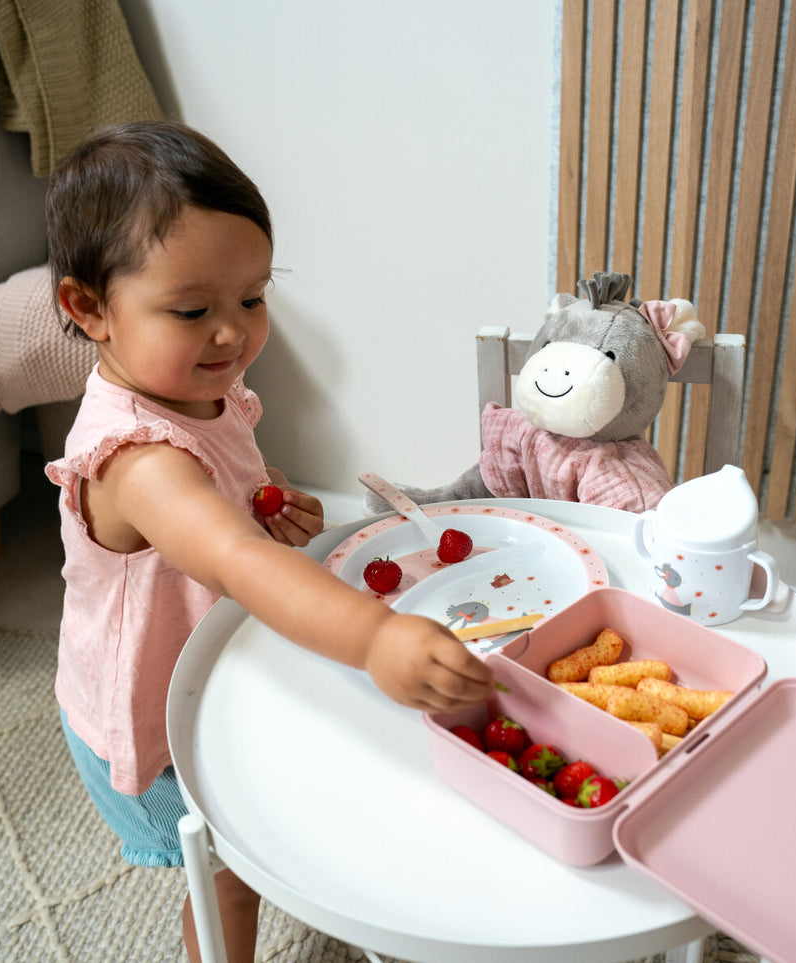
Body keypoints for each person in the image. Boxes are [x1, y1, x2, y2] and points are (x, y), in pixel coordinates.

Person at [43, 121, 493, 963]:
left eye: (252, 298)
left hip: (211, 664)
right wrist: (377, 636)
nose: (232, 333)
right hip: (152, 713)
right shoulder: (136, 460)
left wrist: (263, 500)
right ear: (90, 308)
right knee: (226, 875)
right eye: (192, 311)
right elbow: (231, 557)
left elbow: (227, 512)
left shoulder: (202, 392)